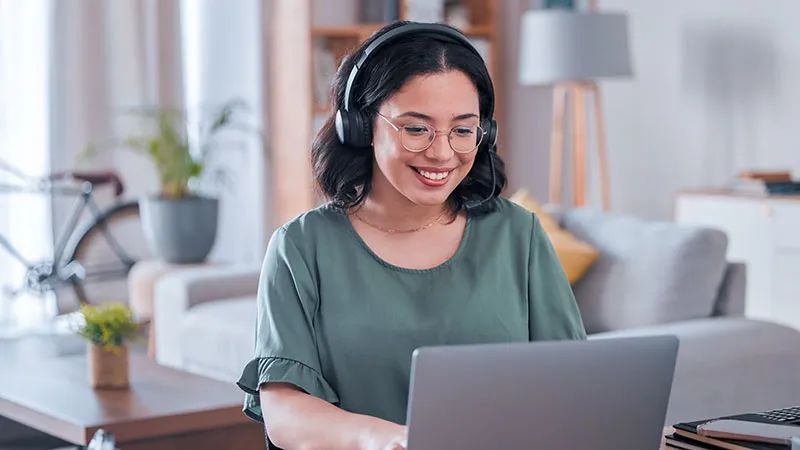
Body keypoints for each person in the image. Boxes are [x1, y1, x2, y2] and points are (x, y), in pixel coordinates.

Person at [237, 20, 586, 450]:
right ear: (361, 126)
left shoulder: (519, 234)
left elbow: (573, 386)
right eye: (417, 128)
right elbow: (285, 411)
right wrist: (383, 439)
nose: (442, 152)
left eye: (462, 130)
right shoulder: (300, 248)